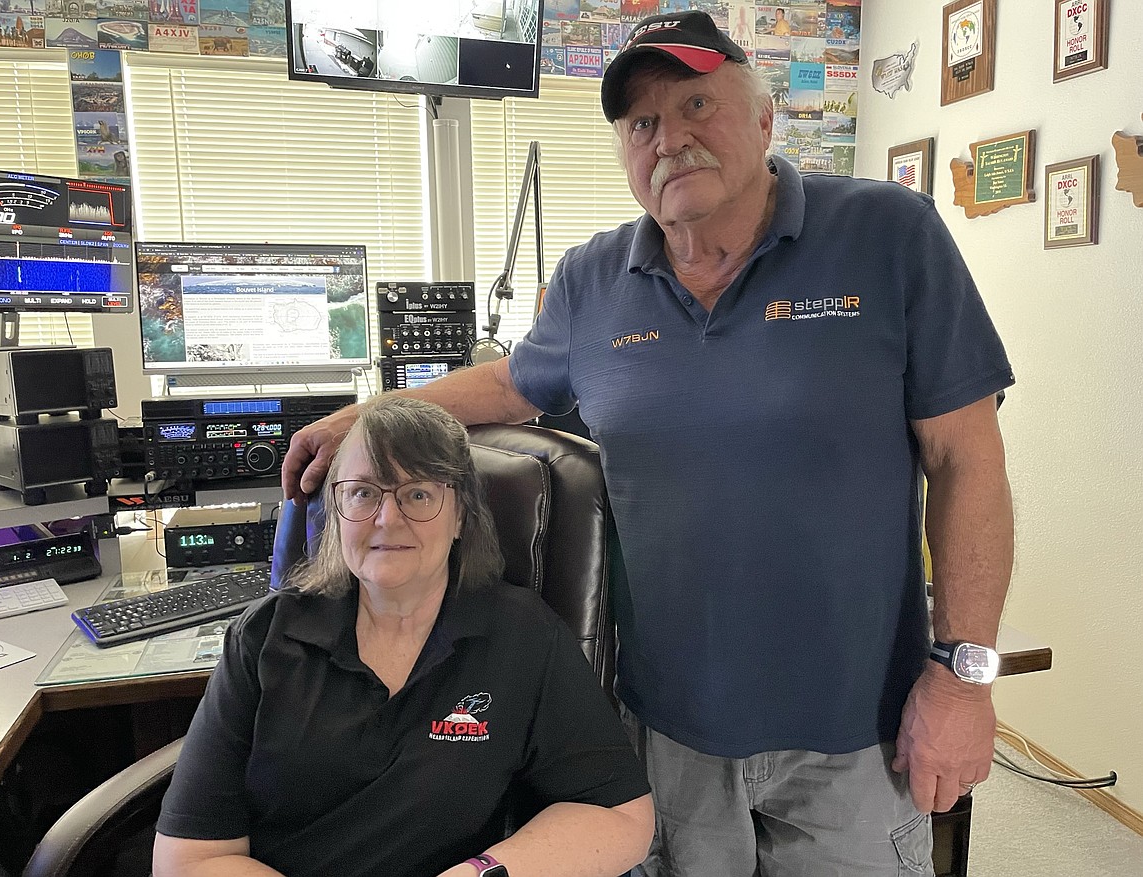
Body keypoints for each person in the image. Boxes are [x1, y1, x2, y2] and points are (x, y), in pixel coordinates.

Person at [282, 11, 1015, 876]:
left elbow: (968, 461)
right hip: (668, 729)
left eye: (698, 103)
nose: (672, 138)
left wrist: (962, 677)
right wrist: (365, 416)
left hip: (859, 730)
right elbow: (512, 382)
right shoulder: (594, 279)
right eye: (643, 124)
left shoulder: (890, 235)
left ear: (765, 117)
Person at [155, 396, 654, 877]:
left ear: (461, 514)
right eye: (363, 492)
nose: (387, 518)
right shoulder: (265, 638)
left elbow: (619, 817)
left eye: (418, 494)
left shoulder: (522, 635)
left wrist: (481, 872)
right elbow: (190, 858)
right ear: (335, 511)